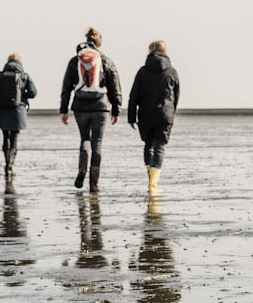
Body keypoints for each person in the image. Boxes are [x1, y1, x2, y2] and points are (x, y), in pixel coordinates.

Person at [60, 27, 122, 193]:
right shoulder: (105, 60)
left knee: (84, 138)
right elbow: (115, 85)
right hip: (100, 107)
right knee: (98, 143)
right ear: (99, 43)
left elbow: (66, 86)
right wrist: (116, 109)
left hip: (80, 106)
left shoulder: (75, 61)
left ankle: (82, 169)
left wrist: (63, 109)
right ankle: (93, 184)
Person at [127, 40, 180, 195]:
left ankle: (151, 181)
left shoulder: (142, 71)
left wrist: (131, 117)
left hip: (145, 114)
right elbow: (176, 96)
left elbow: (134, 95)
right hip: (165, 115)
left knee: (148, 146)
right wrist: (171, 113)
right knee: (160, 147)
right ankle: (153, 184)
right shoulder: (172, 72)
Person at [0, 53, 38, 179]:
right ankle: (10, 166)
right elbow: (33, 93)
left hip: (2, 110)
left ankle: (6, 161)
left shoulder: (1, 75)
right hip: (18, 111)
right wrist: (23, 94)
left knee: (5, 137)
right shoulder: (24, 76)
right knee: (14, 139)